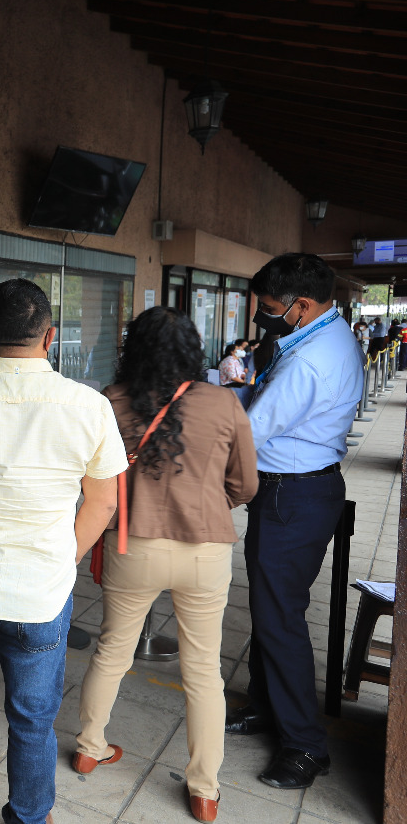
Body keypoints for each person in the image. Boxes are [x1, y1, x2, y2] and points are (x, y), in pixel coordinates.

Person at [0, 279, 127, 824]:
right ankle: (30, 816)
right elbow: (102, 504)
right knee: (34, 719)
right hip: (42, 591)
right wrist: (64, 558)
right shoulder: (89, 406)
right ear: (50, 337)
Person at [73, 308, 257, 824]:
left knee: (112, 650)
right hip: (204, 551)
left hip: (134, 546)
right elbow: (245, 486)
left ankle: (90, 746)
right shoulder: (222, 402)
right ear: (192, 351)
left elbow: (92, 479)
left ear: (134, 349)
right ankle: (203, 789)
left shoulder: (111, 401)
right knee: (203, 671)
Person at [226, 253, 363, 790]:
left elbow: (251, 429)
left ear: (302, 306)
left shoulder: (310, 360)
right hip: (298, 490)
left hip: (294, 496)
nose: (263, 316)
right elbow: (262, 400)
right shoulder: (316, 338)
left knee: (279, 618)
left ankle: (305, 746)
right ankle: (269, 710)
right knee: (268, 610)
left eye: (270, 308)